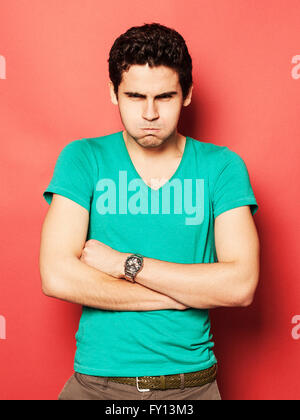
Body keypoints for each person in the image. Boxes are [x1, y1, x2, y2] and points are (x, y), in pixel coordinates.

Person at [39, 22, 260, 401]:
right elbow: (57, 276)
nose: (150, 113)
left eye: (165, 97)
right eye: (135, 96)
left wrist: (124, 264)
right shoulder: (83, 158)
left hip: (191, 386)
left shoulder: (222, 167)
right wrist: (185, 294)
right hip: (96, 385)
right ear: (113, 93)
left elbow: (240, 286)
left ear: (188, 94)